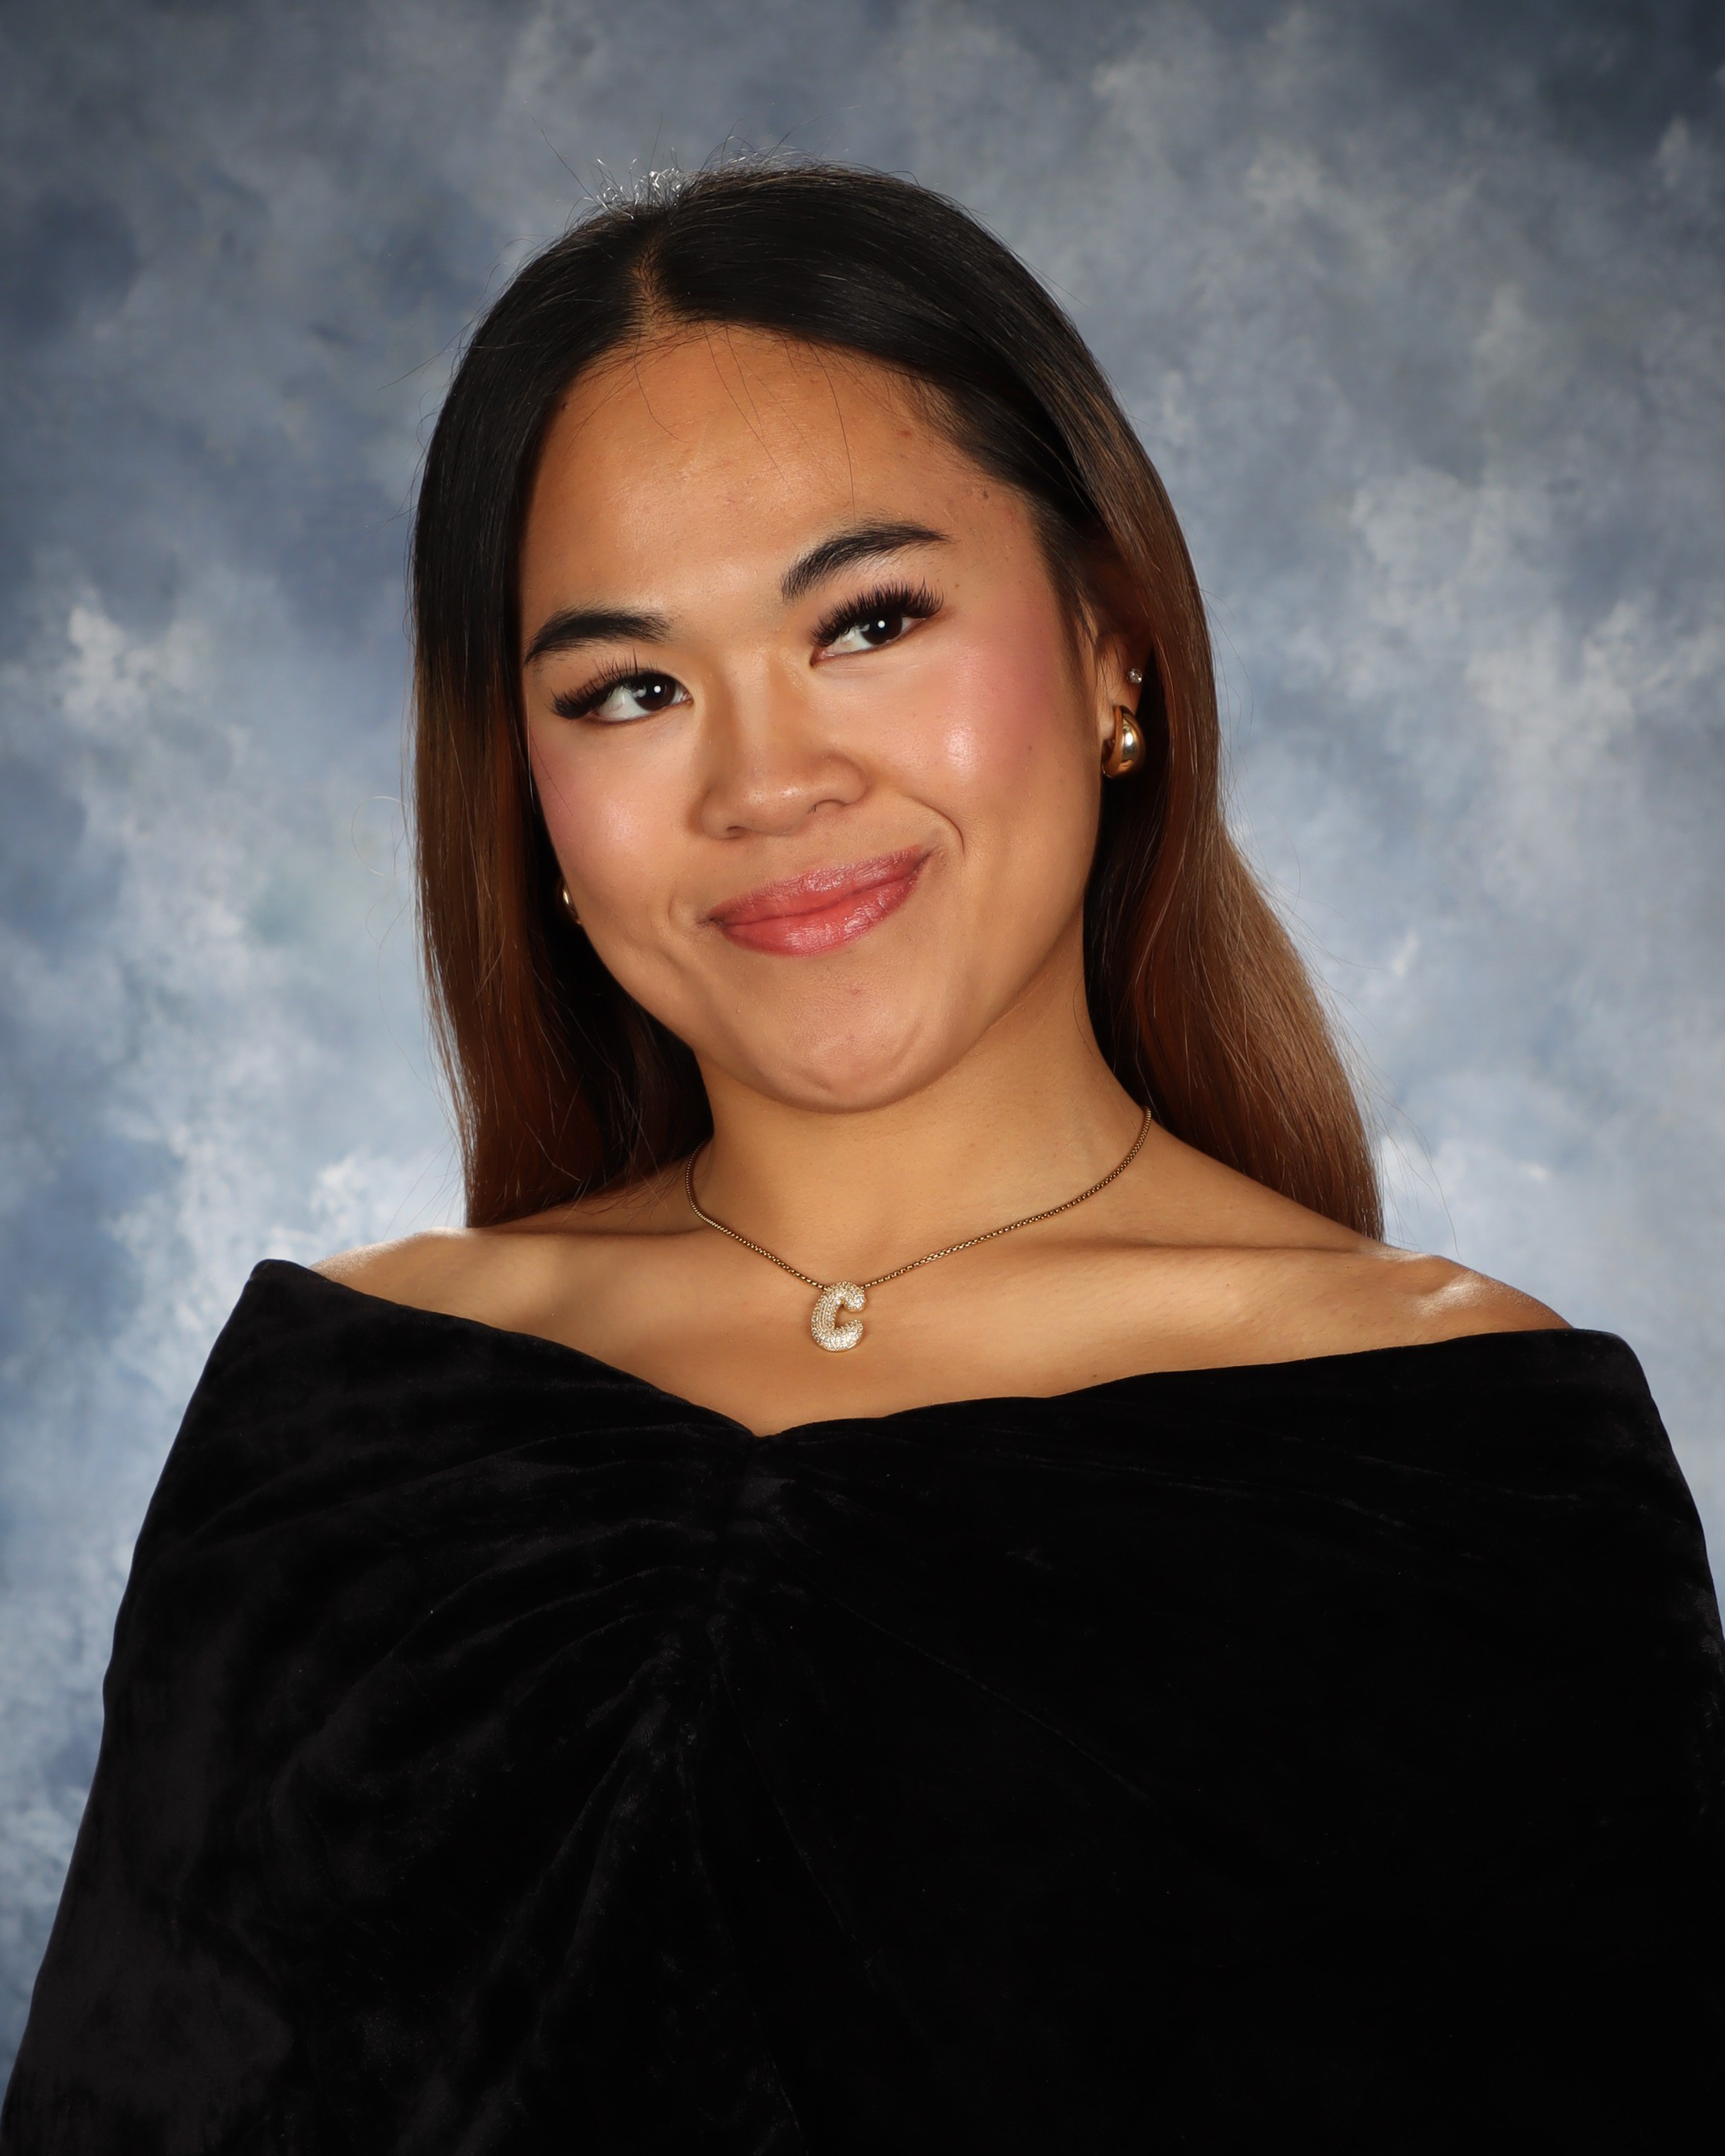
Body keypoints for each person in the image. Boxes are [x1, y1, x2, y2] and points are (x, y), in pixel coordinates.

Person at [5, 160, 1721, 2152]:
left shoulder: (1471, 1464)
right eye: (631, 689)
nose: (766, 782)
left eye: (870, 620)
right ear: (531, 789)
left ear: (1116, 649)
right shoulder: (341, 1418)